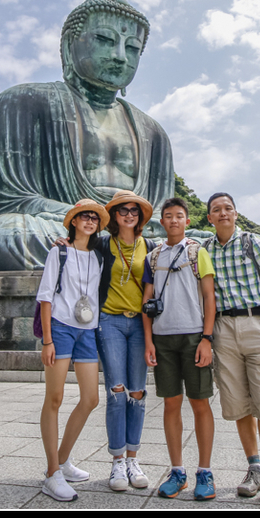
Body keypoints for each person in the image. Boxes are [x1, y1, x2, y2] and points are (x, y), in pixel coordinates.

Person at [0, 0, 174, 273]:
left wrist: (132, 226)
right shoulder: (20, 102)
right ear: (68, 45)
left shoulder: (153, 133)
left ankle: (110, 249)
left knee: (198, 244)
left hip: (134, 233)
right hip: (62, 228)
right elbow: (8, 202)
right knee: (4, 235)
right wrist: (89, 220)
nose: (120, 56)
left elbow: (160, 214)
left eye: (132, 47)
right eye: (105, 39)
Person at [203, 192, 260, 510]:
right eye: (216, 210)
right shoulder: (205, 249)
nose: (223, 213)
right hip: (224, 329)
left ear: (236, 213)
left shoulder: (254, 242)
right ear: (209, 218)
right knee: (238, 402)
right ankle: (253, 467)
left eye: (228, 208)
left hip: (257, 324)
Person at [141, 198, 218, 501]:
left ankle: (205, 471)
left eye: (179, 216)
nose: (174, 220)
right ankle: (177, 471)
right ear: (161, 222)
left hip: (193, 337)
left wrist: (207, 339)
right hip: (163, 339)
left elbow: (209, 297)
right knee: (171, 404)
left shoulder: (198, 252)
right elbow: (146, 302)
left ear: (187, 220)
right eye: (169, 216)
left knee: (200, 403)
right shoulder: (153, 257)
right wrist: (149, 341)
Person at [37, 199, 108, 502]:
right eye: (84, 216)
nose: (90, 221)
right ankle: (52, 473)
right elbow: (45, 297)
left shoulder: (99, 256)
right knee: (54, 398)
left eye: (95, 218)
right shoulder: (59, 251)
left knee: (91, 398)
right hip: (61, 328)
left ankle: (63, 460)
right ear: (74, 221)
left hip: (87, 330)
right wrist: (47, 340)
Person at [91, 190, 157, 492]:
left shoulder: (152, 247)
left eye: (134, 210)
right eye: (123, 210)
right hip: (110, 321)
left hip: (140, 324)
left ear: (140, 216)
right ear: (113, 216)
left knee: (137, 392)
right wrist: (62, 242)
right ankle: (117, 461)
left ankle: (133, 458)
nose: (129, 214)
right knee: (116, 391)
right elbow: (78, 246)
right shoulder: (102, 244)